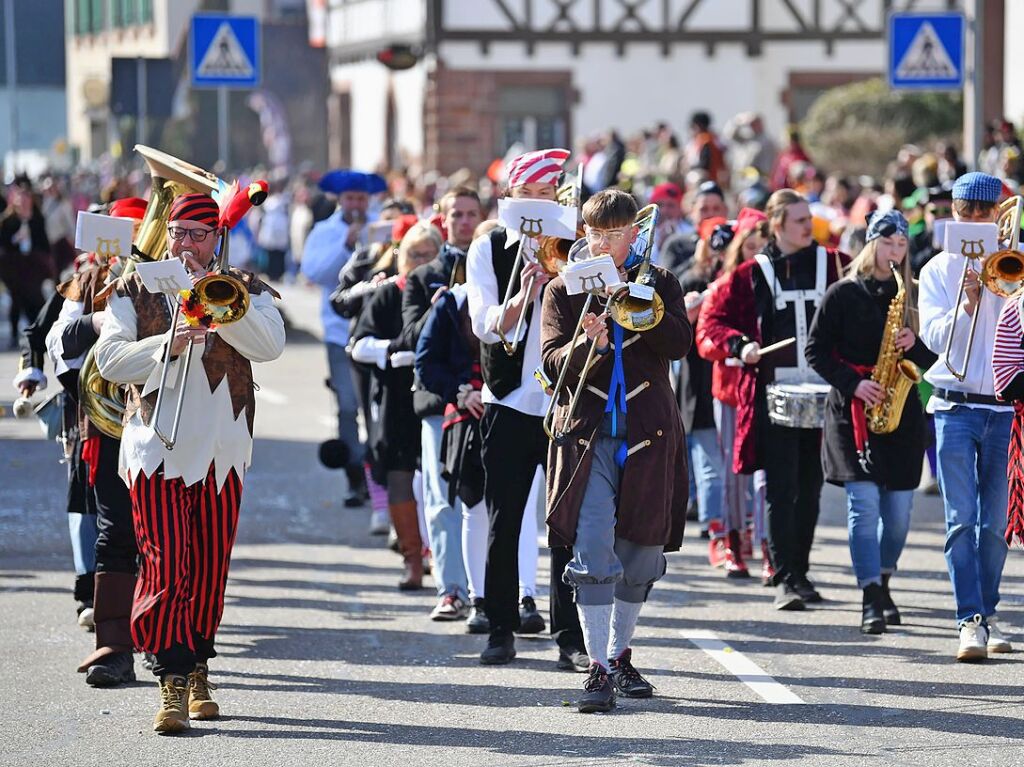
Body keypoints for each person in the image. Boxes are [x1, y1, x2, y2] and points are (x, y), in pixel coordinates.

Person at [95, 187, 285, 733]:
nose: (185, 244)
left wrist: (219, 307)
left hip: (223, 449)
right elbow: (108, 358)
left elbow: (269, 346)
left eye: (197, 235)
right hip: (157, 445)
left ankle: (198, 663)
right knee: (163, 560)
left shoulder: (245, 288)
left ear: (216, 239)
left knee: (208, 566)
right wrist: (168, 344)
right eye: (178, 233)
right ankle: (170, 677)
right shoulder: (135, 287)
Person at [541, 189, 691, 712]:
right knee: (592, 548)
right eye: (596, 233)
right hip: (589, 434)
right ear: (585, 232)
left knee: (642, 551)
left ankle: (621, 653)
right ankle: (598, 668)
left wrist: (642, 311)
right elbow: (552, 364)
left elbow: (679, 344)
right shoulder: (564, 289)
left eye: (616, 232)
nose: (605, 242)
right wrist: (591, 343)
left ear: (635, 233)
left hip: (648, 432)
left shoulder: (663, 281)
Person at [465, 148, 587, 670]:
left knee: (566, 523)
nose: (539, 204)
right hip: (509, 400)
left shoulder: (574, 245)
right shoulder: (489, 247)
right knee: (504, 519)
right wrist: (524, 292)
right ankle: (500, 628)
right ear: (511, 198)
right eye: (529, 195)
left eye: (549, 194)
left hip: (563, 399)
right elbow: (484, 320)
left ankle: (570, 635)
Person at [699, 189, 846, 611]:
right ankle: (784, 574)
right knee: (782, 488)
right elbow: (711, 324)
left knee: (812, 487)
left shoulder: (835, 263)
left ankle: (799, 569)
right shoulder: (749, 274)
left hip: (826, 393)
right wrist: (739, 346)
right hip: (773, 395)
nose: (808, 226)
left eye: (809, 219)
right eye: (799, 220)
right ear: (777, 225)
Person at [806, 210, 936, 633]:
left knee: (898, 514)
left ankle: (883, 579)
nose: (895, 253)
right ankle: (869, 595)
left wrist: (915, 345)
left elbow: (934, 362)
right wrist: (853, 385)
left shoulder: (913, 295)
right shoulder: (842, 293)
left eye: (901, 245)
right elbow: (815, 351)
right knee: (863, 506)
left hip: (901, 412)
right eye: (888, 243)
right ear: (871, 243)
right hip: (852, 411)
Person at [48, 197, 147, 686]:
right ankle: (114, 647)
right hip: (106, 425)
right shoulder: (87, 279)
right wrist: (94, 323)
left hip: (163, 423)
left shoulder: (173, 279)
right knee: (115, 532)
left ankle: (163, 637)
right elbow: (56, 340)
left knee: (167, 538)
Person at [918, 171, 1013, 661]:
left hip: (1002, 409)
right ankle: (968, 620)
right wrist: (968, 304)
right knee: (961, 520)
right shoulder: (937, 270)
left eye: (984, 211)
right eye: (966, 212)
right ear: (953, 214)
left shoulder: (1015, 263)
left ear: (998, 214)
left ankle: (990, 611)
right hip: (954, 405)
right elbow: (932, 338)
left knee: (995, 524)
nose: (975, 220)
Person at [389, 188, 483, 620]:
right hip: (438, 401)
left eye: (472, 214)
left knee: (483, 502)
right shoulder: (426, 274)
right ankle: (451, 588)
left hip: (490, 400)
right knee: (441, 497)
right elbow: (409, 337)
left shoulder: (499, 265)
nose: (464, 222)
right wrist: (441, 305)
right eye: (456, 215)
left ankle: (489, 590)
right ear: (443, 221)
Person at [350, 222, 442, 591]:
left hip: (437, 395)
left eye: (429, 254)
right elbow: (358, 345)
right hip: (395, 397)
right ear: (402, 258)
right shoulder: (388, 294)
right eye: (415, 254)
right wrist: (393, 352)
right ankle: (412, 559)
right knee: (400, 476)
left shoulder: (445, 292)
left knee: (439, 480)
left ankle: (441, 556)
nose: (421, 261)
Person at [301, 170, 387, 509]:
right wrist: (346, 246)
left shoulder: (381, 225)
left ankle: (377, 473)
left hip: (379, 330)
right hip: (340, 333)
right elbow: (314, 273)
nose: (356, 205)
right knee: (349, 406)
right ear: (340, 200)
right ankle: (355, 475)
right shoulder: (325, 231)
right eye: (350, 199)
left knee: (375, 409)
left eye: (361, 199)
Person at [697, 210, 769, 580]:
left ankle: (770, 547)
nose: (757, 254)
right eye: (751, 246)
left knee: (766, 475)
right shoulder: (726, 284)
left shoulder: (776, 280)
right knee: (732, 472)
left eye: (763, 246)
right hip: (730, 389)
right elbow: (706, 338)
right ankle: (734, 541)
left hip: (769, 387)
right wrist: (736, 348)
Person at [659, 181, 728, 278]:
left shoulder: (736, 243)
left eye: (716, 208)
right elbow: (666, 283)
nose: (710, 214)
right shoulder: (677, 245)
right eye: (704, 209)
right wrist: (696, 260)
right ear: (693, 212)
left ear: (725, 211)